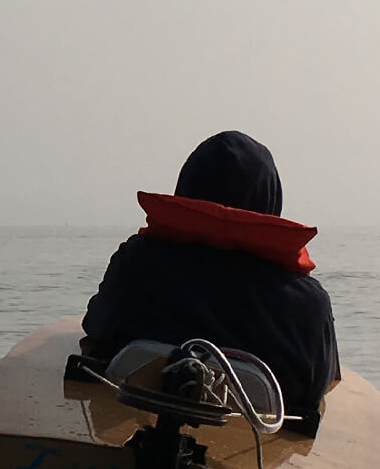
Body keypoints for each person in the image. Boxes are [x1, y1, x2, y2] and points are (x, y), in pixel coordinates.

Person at [81, 131, 340, 432]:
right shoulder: (308, 304)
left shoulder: (135, 263)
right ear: (271, 200)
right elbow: (315, 389)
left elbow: (96, 335)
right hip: (248, 458)